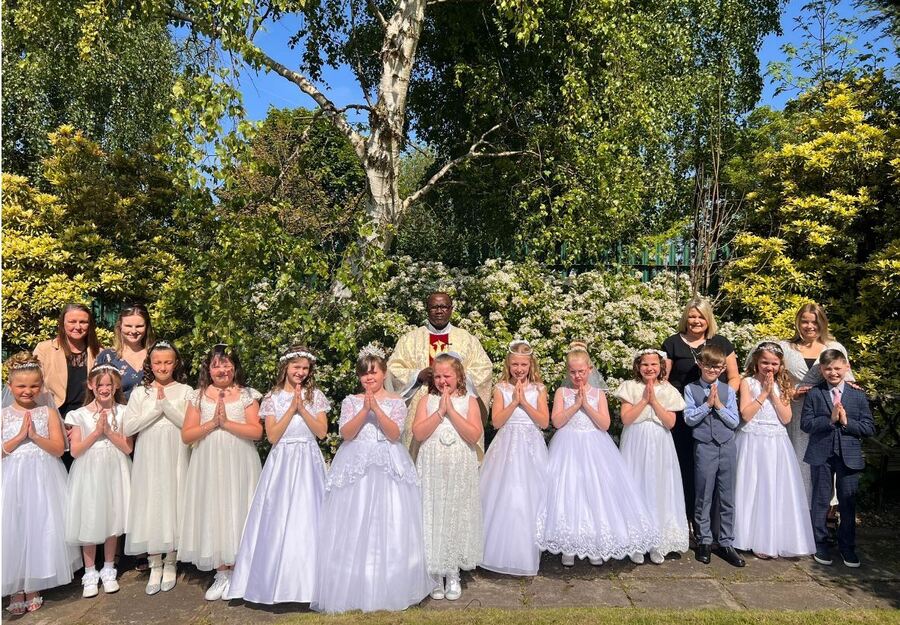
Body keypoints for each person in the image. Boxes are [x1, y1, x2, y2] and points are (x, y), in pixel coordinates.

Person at [312, 344, 433, 613]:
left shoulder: (397, 401)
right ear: (359, 377)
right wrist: (363, 409)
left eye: (374, 373)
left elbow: (393, 434)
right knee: (354, 519)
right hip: (356, 462)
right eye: (365, 374)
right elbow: (347, 433)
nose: (370, 378)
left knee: (389, 519)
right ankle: (355, 584)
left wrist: (377, 409)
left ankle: (390, 582)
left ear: (383, 373)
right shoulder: (350, 401)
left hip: (388, 461)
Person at [536, 342, 657, 567]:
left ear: (590, 370)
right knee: (569, 492)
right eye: (572, 372)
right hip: (568, 446)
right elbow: (557, 421)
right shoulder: (563, 392)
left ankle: (594, 543)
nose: (577, 376)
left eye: (581, 371)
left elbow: (604, 424)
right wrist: (576, 404)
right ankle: (568, 544)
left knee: (595, 493)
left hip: (595, 446)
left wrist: (587, 405)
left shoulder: (598, 393)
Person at [227, 346, 330, 605]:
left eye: (305, 369)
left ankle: (309, 585)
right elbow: (272, 436)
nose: (301, 373)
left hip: (308, 458)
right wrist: (290, 408)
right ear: (286, 367)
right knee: (279, 516)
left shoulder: (315, 395)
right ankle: (273, 582)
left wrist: (302, 408)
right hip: (282, 460)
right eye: (297, 367)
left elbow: (321, 432)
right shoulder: (272, 397)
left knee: (309, 517)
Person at [179, 344, 263, 601]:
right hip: (209, 461)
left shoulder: (247, 394)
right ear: (209, 369)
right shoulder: (199, 396)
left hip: (240, 460)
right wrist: (212, 423)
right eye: (217, 365)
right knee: (214, 509)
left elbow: (257, 432)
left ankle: (239, 569)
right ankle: (221, 572)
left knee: (239, 507)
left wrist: (226, 423)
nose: (222, 369)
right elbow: (187, 435)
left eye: (227, 364)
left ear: (235, 367)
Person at [2, 353, 80, 615]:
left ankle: (34, 583)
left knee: (39, 526)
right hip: (11, 478)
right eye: (21, 386)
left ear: (41, 385)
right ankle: (15, 586)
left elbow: (59, 449)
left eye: (34, 385)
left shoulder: (46, 412)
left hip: (42, 477)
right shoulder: (3, 415)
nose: (28, 391)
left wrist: (34, 436)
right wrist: (19, 437)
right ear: (10, 386)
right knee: (13, 527)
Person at [662, 297, 740, 528]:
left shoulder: (721, 343)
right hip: (685, 415)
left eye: (701, 317)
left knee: (715, 472)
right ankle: (688, 519)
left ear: (708, 319)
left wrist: (722, 398)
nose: (696, 321)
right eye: (692, 316)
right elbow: (664, 380)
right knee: (686, 465)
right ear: (686, 318)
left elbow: (734, 377)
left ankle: (711, 524)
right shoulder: (673, 343)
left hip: (718, 415)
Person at [733, 341, 814, 559]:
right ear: (756, 363)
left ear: (780, 365)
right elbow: (746, 414)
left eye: (774, 364)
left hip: (776, 442)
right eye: (765, 363)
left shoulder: (783, 385)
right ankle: (744, 535)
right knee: (749, 487)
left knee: (772, 487)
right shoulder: (747, 382)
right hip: (751, 439)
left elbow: (786, 418)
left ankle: (767, 538)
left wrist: (772, 394)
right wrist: (763, 393)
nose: (769, 367)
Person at [122, 341, 191, 595]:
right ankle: (154, 564)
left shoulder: (185, 391)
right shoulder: (142, 393)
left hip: (174, 453)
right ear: (150, 365)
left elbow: (189, 425)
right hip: (149, 457)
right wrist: (155, 410)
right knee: (152, 503)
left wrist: (168, 408)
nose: (163, 367)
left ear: (176, 363)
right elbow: (129, 428)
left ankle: (171, 561)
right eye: (158, 362)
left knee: (173, 500)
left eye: (168, 362)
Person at [387, 292, 493, 458]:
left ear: (451, 309)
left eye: (444, 306)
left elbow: (484, 369)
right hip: (421, 405)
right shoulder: (410, 339)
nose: (439, 311)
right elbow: (393, 368)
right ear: (427, 310)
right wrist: (417, 375)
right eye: (434, 307)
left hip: (459, 406)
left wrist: (458, 375)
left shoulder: (467, 339)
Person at [413, 353, 483, 601]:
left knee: (455, 512)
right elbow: (419, 433)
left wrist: (451, 411)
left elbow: (473, 435)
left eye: (448, 376)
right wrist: (439, 412)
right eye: (438, 376)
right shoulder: (426, 401)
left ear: (459, 377)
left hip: (459, 467)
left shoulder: (469, 401)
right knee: (432, 512)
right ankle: (434, 573)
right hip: (432, 466)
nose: (443, 381)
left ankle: (452, 571)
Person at [479, 339, 550, 576]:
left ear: (531, 365)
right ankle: (500, 550)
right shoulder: (501, 388)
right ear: (508, 366)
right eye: (515, 365)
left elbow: (544, 421)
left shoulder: (539, 389)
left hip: (531, 445)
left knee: (530, 496)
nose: (519, 370)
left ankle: (527, 551)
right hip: (507, 445)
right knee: (507, 494)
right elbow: (497, 422)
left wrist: (525, 403)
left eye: (523, 365)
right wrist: (514, 401)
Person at [801, 349, 875, 568]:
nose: (833, 372)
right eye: (828, 369)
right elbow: (806, 424)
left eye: (837, 368)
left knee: (847, 501)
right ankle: (820, 543)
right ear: (821, 371)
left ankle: (847, 546)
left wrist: (845, 422)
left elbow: (869, 427)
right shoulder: (815, 393)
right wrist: (830, 419)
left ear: (846, 368)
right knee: (821, 500)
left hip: (848, 455)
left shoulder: (858, 395)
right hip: (821, 454)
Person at [65, 364, 133, 597]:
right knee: (91, 517)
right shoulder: (78, 414)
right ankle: (90, 572)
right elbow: (75, 451)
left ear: (116, 387)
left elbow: (126, 446)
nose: (104, 389)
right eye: (100, 384)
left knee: (112, 516)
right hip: (90, 470)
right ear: (91, 386)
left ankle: (109, 568)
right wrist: (96, 432)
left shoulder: (124, 412)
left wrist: (109, 432)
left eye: (109, 385)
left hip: (115, 468)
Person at [615, 348, 688, 564]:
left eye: (654, 364)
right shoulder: (630, 387)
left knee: (659, 487)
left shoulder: (668, 390)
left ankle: (658, 542)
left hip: (659, 443)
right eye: (645, 364)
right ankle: (636, 541)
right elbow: (627, 419)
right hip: (635, 442)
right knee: (635, 485)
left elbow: (671, 423)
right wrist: (643, 400)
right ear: (638, 366)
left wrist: (654, 401)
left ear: (661, 367)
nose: (649, 368)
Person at [779, 303, 855, 507]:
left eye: (815, 321)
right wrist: (791, 392)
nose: (809, 326)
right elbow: (773, 380)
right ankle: (797, 513)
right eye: (805, 321)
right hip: (795, 413)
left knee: (825, 465)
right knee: (798, 463)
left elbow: (846, 381)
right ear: (798, 323)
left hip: (827, 415)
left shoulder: (835, 348)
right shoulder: (785, 348)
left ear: (823, 323)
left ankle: (823, 516)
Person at [683, 345, 744, 568]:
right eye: (708, 365)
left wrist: (717, 405)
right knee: (704, 495)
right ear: (700, 364)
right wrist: (706, 405)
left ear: (722, 369)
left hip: (727, 446)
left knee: (727, 496)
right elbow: (689, 419)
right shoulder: (691, 389)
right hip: (704, 447)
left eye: (717, 367)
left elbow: (734, 421)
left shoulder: (728, 390)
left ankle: (726, 541)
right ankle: (704, 540)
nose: (712, 369)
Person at [34, 303, 101, 417]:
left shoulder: (99, 353)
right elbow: (35, 384)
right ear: (63, 323)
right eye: (72, 322)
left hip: (88, 416)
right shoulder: (44, 349)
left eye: (83, 322)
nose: (78, 327)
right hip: (54, 413)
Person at [96, 304, 155, 400]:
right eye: (128, 326)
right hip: (118, 413)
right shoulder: (107, 357)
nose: (134, 331)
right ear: (120, 327)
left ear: (147, 327)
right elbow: (95, 391)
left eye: (139, 326)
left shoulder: (156, 355)